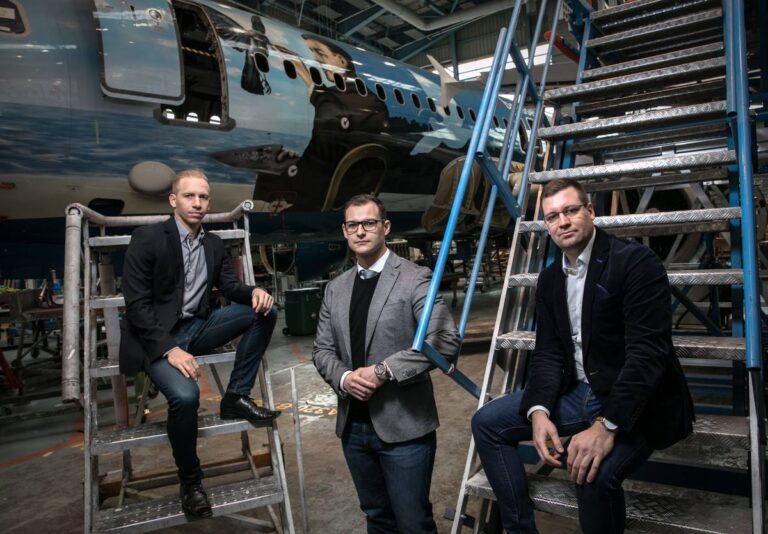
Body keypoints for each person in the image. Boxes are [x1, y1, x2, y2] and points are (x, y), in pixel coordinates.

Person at [471, 179, 694, 533]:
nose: (563, 222)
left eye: (571, 210)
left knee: (591, 472)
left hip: (635, 399)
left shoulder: (635, 262)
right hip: (580, 391)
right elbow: (548, 353)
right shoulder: (549, 280)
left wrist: (606, 426)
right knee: (486, 423)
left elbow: (647, 355)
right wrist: (538, 410)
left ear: (590, 211)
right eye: (552, 216)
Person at [119, 169, 281, 518]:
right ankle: (191, 483)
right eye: (189, 196)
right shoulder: (147, 238)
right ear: (173, 200)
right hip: (156, 338)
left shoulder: (213, 244)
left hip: (197, 327)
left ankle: (235, 396)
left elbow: (230, 287)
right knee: (186, 397)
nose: (197, 203)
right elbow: (137, 306)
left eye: (203, 197)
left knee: (265, 313)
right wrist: (169, 349)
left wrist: (255, 290)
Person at [313, 194, 460, 533]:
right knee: (377, 519)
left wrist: (383, 372)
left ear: (386, 227)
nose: (360, 231)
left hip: (404, 426)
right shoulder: (335, 289)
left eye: (369, 223)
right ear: (344, 231)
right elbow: (322, 350)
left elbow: (444, 340)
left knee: (413, 522)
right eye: (353, 225)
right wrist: (345, 378)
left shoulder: (415, 278)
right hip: (354, 428)